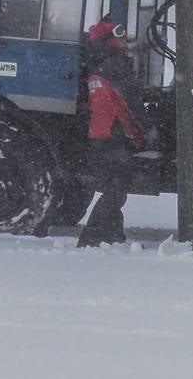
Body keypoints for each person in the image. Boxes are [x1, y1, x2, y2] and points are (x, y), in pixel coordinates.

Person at [77, 42, 144, 248]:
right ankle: (91, 236)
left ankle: (114, 233)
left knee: (114, 186)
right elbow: (121, 109)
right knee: (117, 186)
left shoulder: (95, 70)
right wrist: (136, 134)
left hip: (99, 135)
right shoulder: (113, 71)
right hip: (112, 137)